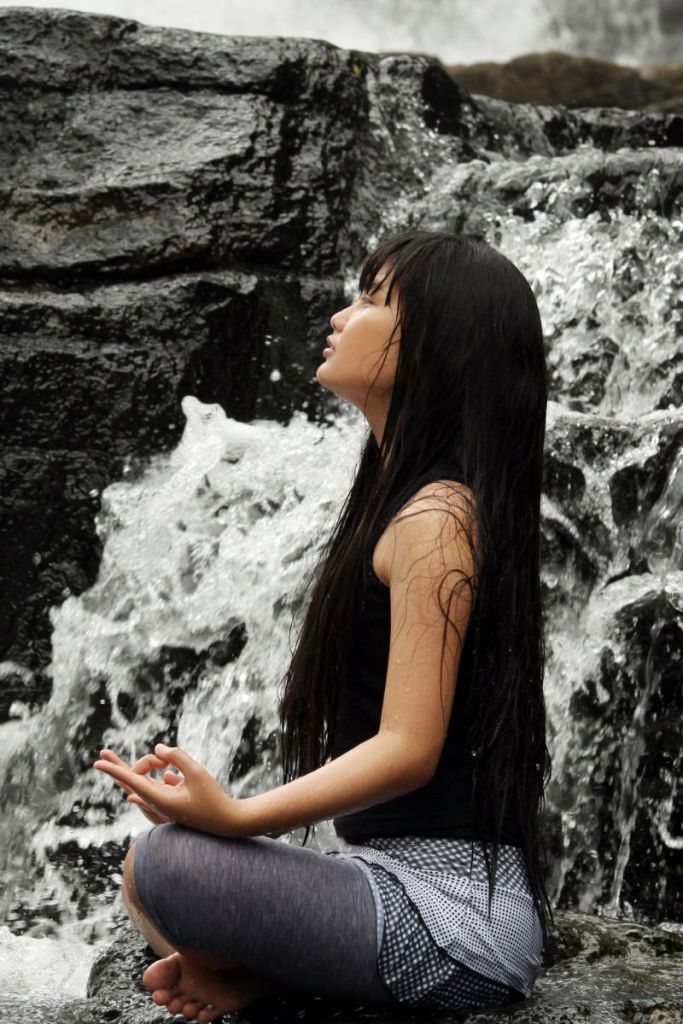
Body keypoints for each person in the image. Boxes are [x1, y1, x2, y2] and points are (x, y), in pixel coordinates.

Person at [93, 228, 552, 1022]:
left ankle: (260, 981)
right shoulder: (402, 504)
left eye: (372, 301)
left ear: (437, 344)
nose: (341, 317)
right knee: (147, 869)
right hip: (393, 885)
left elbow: (409, 751)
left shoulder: (438, 514)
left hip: (451, 918)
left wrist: (235, 815)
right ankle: (258, 984)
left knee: (171, 866)